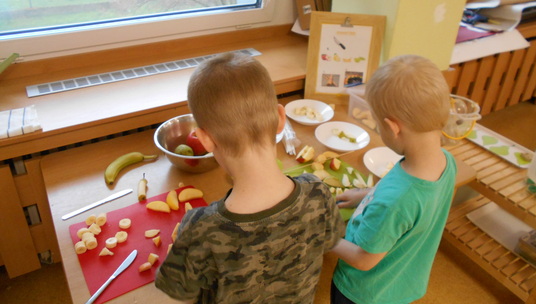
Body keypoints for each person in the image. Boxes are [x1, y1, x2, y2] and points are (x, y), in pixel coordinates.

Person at [155, 52, 345, 303]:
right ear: (280, 119)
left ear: (205, 140)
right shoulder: (318, 193)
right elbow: (330, 241)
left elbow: (178, 292)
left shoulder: (200, 229)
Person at [331, 54, 456, 304]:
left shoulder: (396, 201)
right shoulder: (445, 160)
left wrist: (324, 235)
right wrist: (366, 194)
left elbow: (363, 259)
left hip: (363, 293)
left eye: (378, 124)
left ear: (393, 127)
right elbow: (413, 212)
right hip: (399, 283)